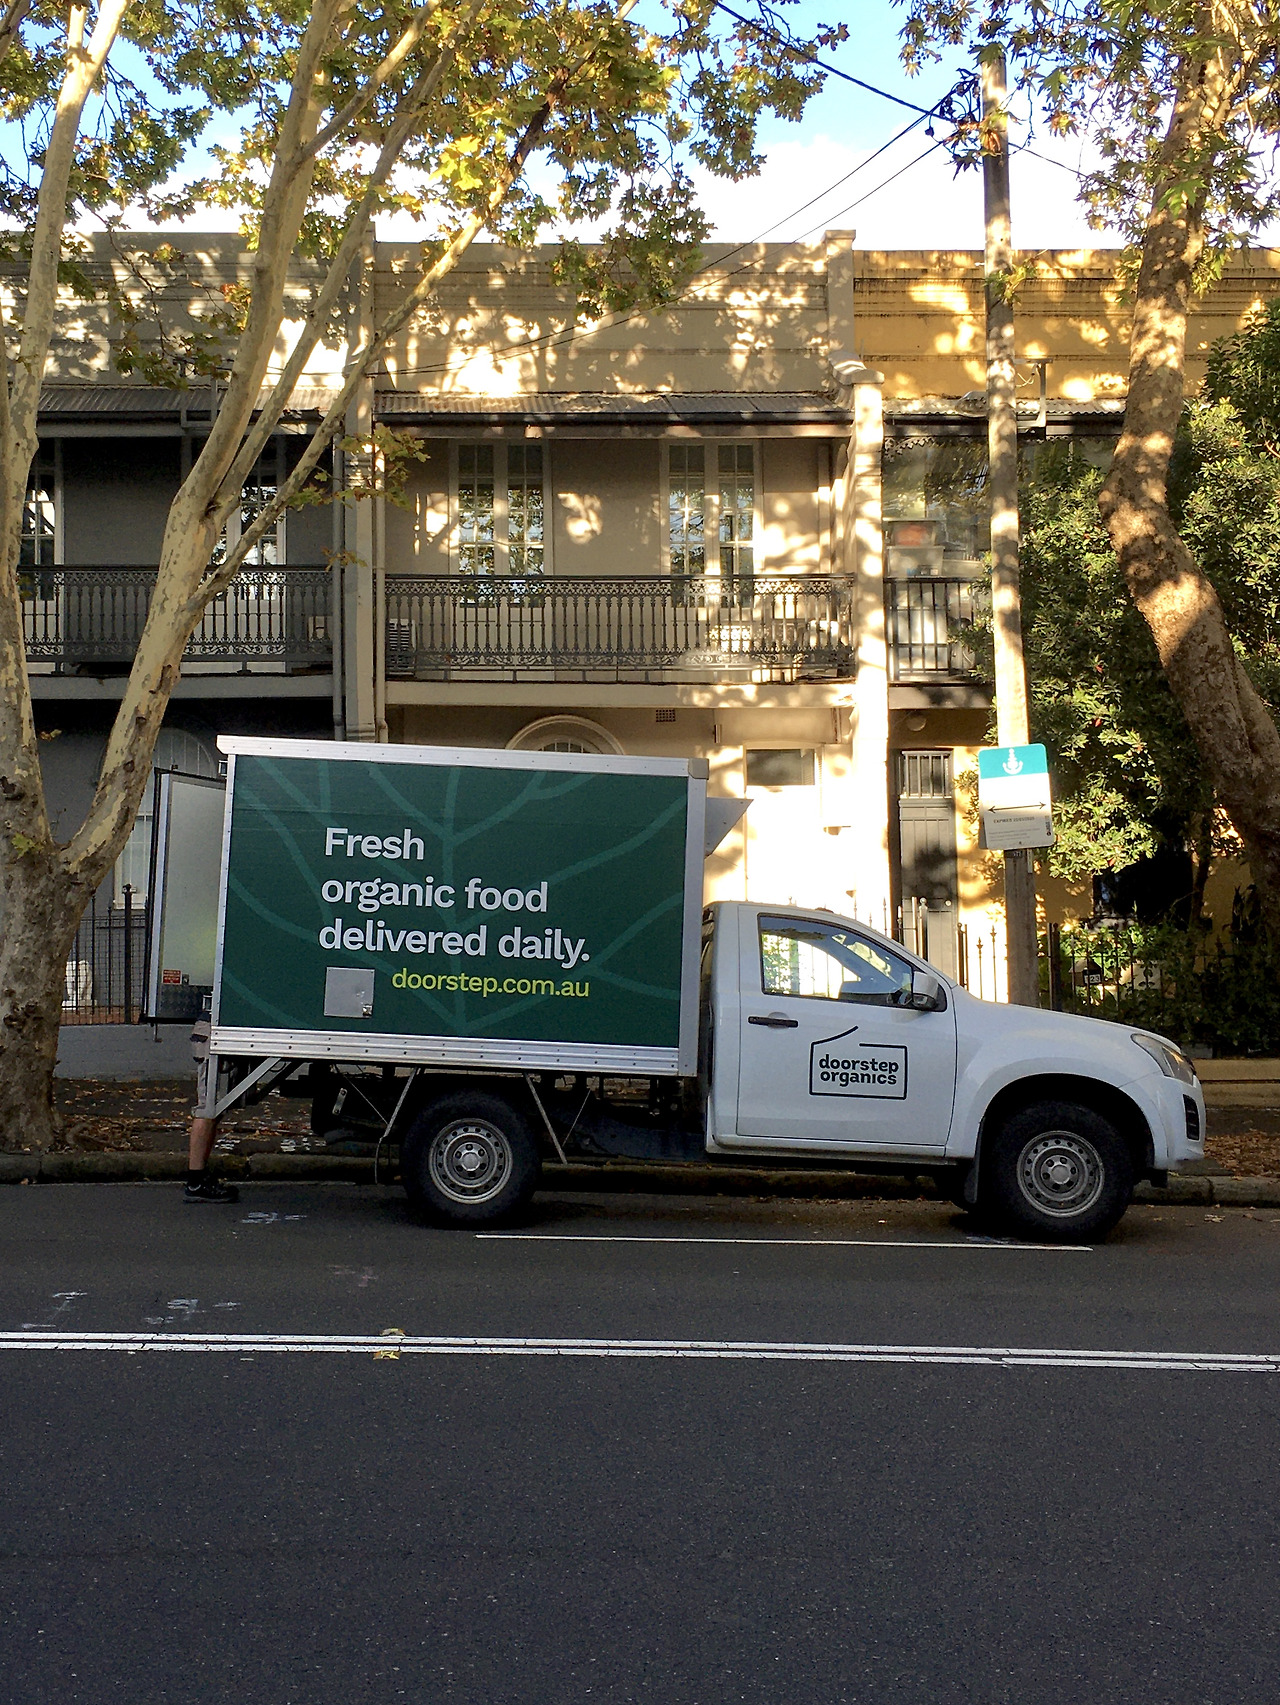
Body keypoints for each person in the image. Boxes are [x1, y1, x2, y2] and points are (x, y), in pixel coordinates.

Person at [185, 1011, 239, 1203]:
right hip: (211, 1033)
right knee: (207, 1109)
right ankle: (195, 1181)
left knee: (212, 1109)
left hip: (212, 1031)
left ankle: (199, 1176)